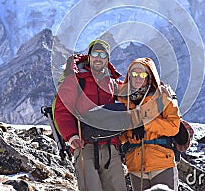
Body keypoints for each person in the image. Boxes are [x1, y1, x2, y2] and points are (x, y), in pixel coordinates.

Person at [54, 39, 127, 191]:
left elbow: (134, 96)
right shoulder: (75, 80)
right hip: (84, 145)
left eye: (103, 54)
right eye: (95, 53)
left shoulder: (113, 82)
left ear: (107, 59)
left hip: (111, 147)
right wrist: (71, 136)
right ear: (89, 56)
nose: (98, 58)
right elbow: (62, 110)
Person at [118, 57, 181, 191]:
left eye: (142, 74)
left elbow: (174, 127)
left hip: (161, 162)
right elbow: (121, 136)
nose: (138, 78)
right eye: (134, 74)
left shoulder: (162, 97)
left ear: (149, 76)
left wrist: (146, 124)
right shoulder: (122, 100)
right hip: (135, 166)